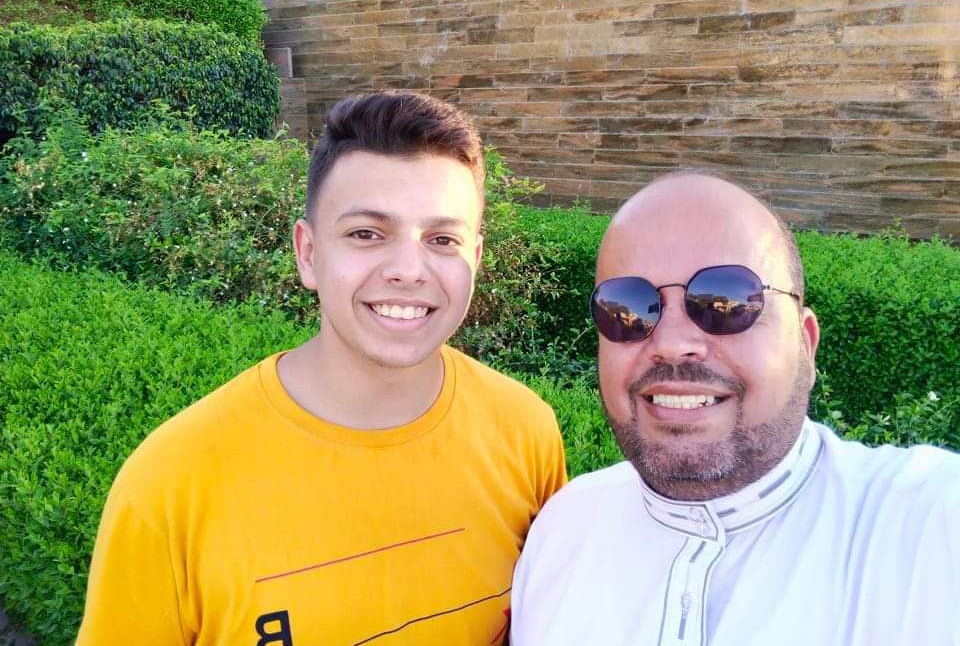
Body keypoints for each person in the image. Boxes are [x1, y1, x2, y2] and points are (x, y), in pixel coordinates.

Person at [77, 92, 567, 645]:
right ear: (308, 253)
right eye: (366, 234)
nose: (409, 270)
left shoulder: (526, 431)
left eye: (442, 239)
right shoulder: (171, 482)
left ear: (474, 258)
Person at [511, 172, 960, 645]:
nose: (672, 344)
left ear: (805, 345)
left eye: (725, 301)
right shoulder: (563, 531)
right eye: (628, 306)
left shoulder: (928, 525)